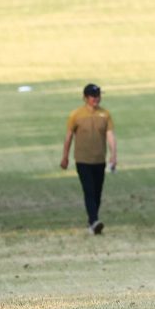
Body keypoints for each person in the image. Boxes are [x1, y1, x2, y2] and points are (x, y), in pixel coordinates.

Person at [61, 84, 117, 235]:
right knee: (89, 190)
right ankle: (94, 220)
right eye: (93, 96)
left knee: (97, 192)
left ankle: (92, 221)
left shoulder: (105, 114)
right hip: (83, 160)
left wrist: (113, 155)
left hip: (99, 159)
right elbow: (68, 137)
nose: (96, 99)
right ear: (85, 98)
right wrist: (65, 157)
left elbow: (110, 135)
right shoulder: (76, 115)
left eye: (98, 95)